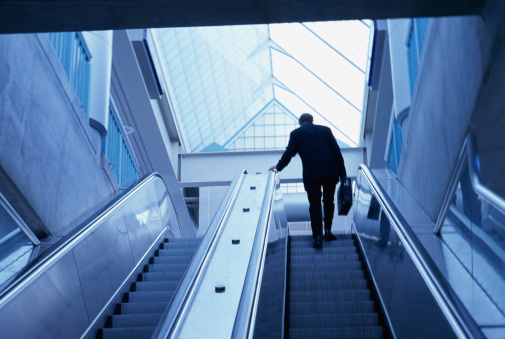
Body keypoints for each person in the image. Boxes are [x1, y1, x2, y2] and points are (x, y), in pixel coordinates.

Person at [269, 113, 347, 248]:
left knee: (314, 204)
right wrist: (343, 174)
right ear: (312, 121)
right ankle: (328, 231)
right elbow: (337, 152)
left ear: (301, 123)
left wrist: (279, 167)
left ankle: (318, 237)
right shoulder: (326, 130)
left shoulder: (296, 134)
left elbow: (289, 153)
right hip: (330, 171)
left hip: (312, 174)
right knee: (329, 201)